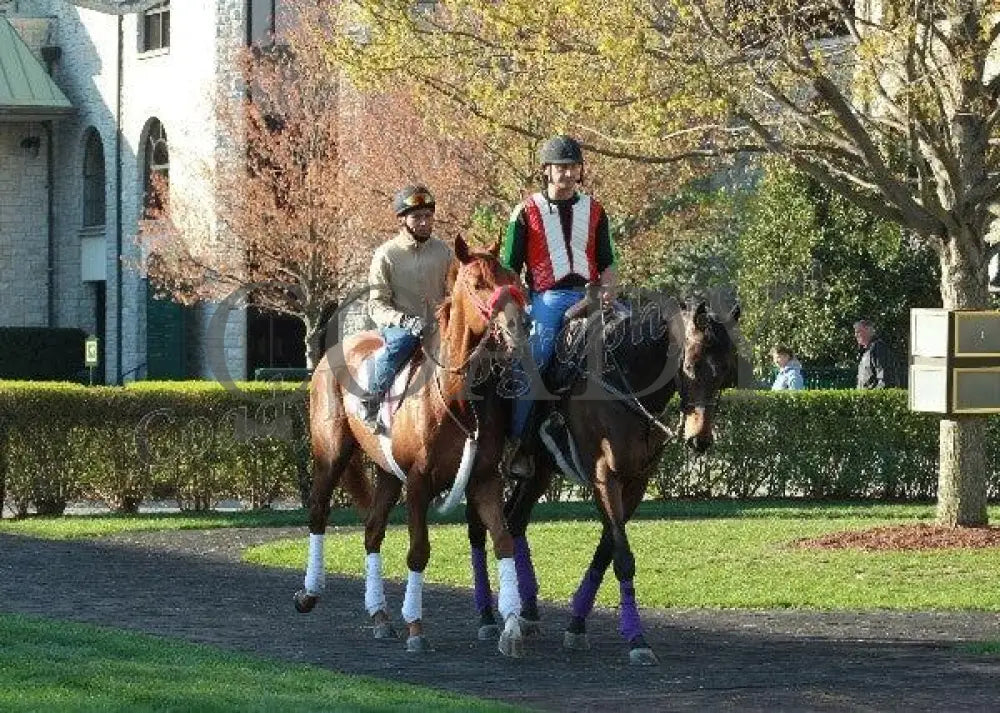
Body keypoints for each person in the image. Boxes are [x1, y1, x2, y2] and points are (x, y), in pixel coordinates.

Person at [499, 135, 618, 477]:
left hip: (592, 294)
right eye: (560, 168)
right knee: (533, 360)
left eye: (572, 167)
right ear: (546, 171)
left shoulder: (595, 209)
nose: (566, 174)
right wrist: (518, 307)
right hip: (548, 298)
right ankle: (521, 445)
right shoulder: (525, 211)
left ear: (580, 171)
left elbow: (608, 262)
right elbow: (509, 270)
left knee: (635, 340)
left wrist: (609, 290)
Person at [359, 185, 453, 431]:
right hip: (401, 329)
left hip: (437, 327)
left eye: (428, 216)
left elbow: (453, 294)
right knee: (401, 343)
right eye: (417, 217)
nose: (424, 222)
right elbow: (376, 304)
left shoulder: (443, 252)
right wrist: (403, 321)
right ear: (402, 220)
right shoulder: (385, 255)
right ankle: (370, 400)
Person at [854, 319, 897, 389]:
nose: (855, 335)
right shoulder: (867, 351)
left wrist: (876, 397)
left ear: (867, 330)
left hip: (874, 398)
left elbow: (884, 378)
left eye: (858, 332)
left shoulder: (878, 347)